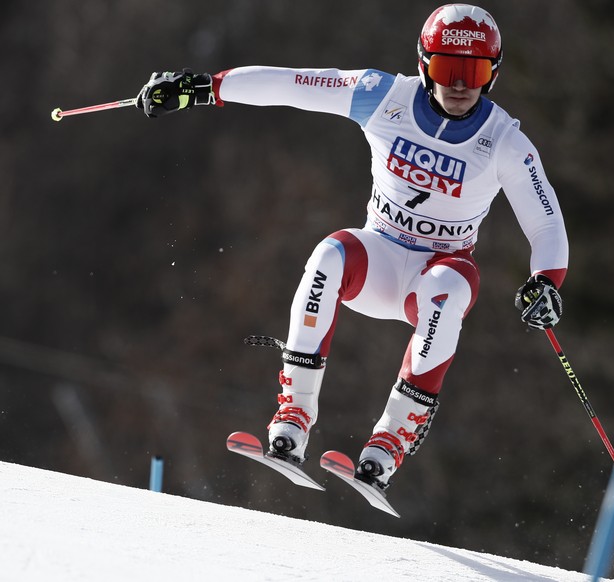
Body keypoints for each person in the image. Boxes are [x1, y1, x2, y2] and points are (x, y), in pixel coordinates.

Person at [136, 4, 568, 491]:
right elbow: (291, 85)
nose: (461, 84)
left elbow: (546, 222)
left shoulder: (505, 140)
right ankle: (294, 416)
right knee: (328, 254)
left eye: (476, 71)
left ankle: (389, 443)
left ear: (494, 73)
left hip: (435, 275)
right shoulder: (383, 96)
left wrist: (545, 282)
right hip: (378, 259)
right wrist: (204, 88)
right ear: (425, 63)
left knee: (449, 286)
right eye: (449, 68)